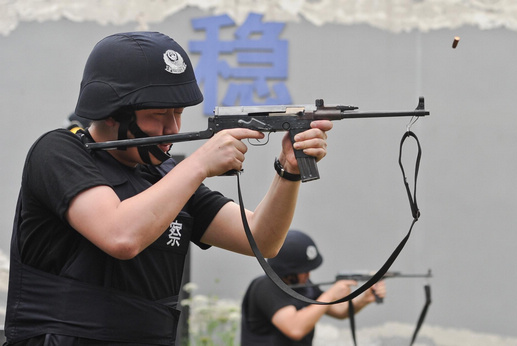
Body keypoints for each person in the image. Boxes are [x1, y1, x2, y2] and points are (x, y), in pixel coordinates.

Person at [3, 31, 332, 346]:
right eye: (159, 114)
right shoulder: (58, 152)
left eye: (178, 113)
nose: (172, 128)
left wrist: (288, 171)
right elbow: (120, 235)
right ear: (112, 111)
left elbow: (262, 239)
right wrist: (200, 164)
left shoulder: (166, 175)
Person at [241, 230, 386, 345]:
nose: (308, 274)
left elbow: (339, 311)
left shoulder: (303, 286)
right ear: (288, 271)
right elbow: (294, 328)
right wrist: (331, 295)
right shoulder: (265, 287)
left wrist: (364, 299)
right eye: (303, 270)